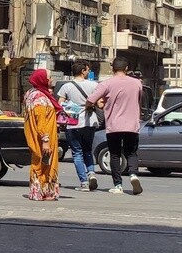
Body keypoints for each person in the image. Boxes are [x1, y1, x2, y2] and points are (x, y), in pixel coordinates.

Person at [92, 57, 145, 195]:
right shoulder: (137, 83)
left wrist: (98, 103)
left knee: (115, 155)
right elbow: (139, 100)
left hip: (114, 125)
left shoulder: (106, 84)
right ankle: (133, 175)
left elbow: (91, 99)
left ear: (112, 68)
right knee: (131, 152)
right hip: (132, 124)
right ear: (127, 69)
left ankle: (118, 185)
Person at [56, 62, 100, 191]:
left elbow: (60, 104)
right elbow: (100, 104)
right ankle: (91, 173)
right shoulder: (94, 85)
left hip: (73, 123)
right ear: (82, 71)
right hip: (89, 121)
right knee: (87, 150)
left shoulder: (66, 86)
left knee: (77, 152)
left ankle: (84, 182)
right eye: (87, 70)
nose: (88, 72)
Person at [22, 68, 62, 201]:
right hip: (43, 138)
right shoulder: (40, 98)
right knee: (43, 164)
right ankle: (41, 192)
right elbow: (41, 120)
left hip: (36, 136)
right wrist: (45, 139)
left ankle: (41, 191)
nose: (51, 80)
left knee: (40, 162)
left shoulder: (31, 93)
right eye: (49, 78)